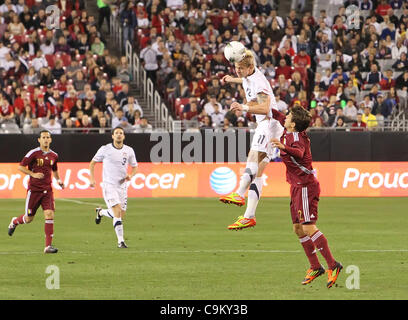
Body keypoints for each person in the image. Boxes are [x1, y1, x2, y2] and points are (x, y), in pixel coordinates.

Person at [270, 106, 342, 288]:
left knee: (308, 227)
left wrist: (283, 146)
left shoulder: (295, 138)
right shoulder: (289, 130)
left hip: (305, 187)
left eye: (288, 116)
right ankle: (315, 266)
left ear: (293, 124)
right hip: (296, 186)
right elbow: (277, 115)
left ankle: (333, 265)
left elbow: (299, 152)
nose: (284, 117)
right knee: (298, 228)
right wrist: (255, 104)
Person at [219, 50, 284, 230]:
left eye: (240, 68)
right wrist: (232, 79)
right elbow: (246, 80)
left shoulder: (260, 83)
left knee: (252, 159)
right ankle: (249, 216)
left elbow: (264, 108)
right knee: (258, 172)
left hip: (268, 123)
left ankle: (239, 194)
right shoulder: (250, 76)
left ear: (250, 67)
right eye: (236, 67)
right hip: (270, 125)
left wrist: (244, 107)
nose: (237, 70)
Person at [7, 130, 64, 254]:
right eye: (43, 137)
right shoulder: (33, 153)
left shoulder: (54, 155)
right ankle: (14, 222)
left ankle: (48, 246)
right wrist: (33, 174)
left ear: (51, 140)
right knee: (28, 219)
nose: (46, 139)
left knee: (49, 214)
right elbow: (21, 166)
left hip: (47, 191)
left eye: (48, 137)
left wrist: (58, 180)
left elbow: (54, 169)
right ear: (39, 140)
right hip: (34, 191)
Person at [89, 127, 138, 248]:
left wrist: (130, 175)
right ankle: (120, 241)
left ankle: (100, 212)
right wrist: (92, 178)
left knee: (120, 214)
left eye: (121, 133)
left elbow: (135, 166)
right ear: (112, 136)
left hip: (122, 186)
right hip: (109, 185)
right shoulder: (105, 149)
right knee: (117, 212)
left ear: (124, 136)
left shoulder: (129, 150)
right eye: (116, 133)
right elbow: (92, 163)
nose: (119, 135)